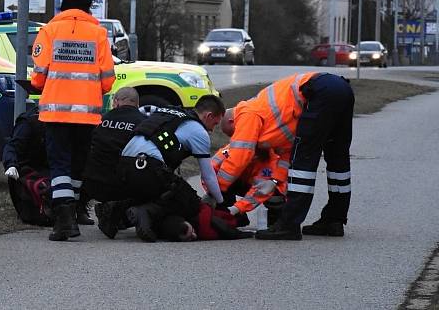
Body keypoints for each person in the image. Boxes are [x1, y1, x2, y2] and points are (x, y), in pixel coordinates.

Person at [217, 73, 354, 240]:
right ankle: (334, 220)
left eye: (234, 134)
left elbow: (240, 155)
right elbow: (287, 154)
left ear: (232, 122)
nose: (239, 137)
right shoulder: (274, 120)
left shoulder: (245, 114)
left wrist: (216, 190)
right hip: (341, 89)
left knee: (303, 162)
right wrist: (274, 180)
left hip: (319, 90)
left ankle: (289, 225)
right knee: (337, 159)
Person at [30, 0, 115, 241]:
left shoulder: (50, 30)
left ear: (64, 1)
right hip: (87, 114)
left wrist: (43, 84)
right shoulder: (98, 34)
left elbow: (38, 76)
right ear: (90, 4)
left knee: (60, 164)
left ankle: (64, 219)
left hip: (56, 113)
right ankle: (76, 209)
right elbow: (108, 80)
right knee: (78, 164)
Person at [115, 95, 226, 242]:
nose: (213, 130)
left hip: (124, 167)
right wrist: (221, 202)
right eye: (215, 124)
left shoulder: (168, 112)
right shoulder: (198, 131)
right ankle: (145, 212)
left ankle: (115, 214)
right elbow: (208, 175)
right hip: (146, 168)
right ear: (209, 115)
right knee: (189, 201)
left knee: (161, 191)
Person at [2, 107, 94, 227]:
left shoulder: (66, 122)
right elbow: (13, 146)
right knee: (52, 186)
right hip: (32, 168)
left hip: (54, 166)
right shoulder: (30, 122)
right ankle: (57, 214)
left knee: (83, 172)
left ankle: (77, 209)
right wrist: (11, 164)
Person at [81, 86, 147, 238]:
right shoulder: (143, 122)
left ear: (116, 102)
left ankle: (78, 210)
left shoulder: (100, 120)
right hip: (123, 187)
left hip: (92, 184)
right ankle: (120, 215)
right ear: (137, 104)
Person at [210, 143, 287, 225]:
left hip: (259, 185)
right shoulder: (229, 151)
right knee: (218, 183)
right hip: (239, 181)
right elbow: (209, 172)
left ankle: (276, 221)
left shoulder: (269, 161)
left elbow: (260, 192)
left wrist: (237, 208)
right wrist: (212, 194)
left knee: (274, 191)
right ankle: (232, 216)